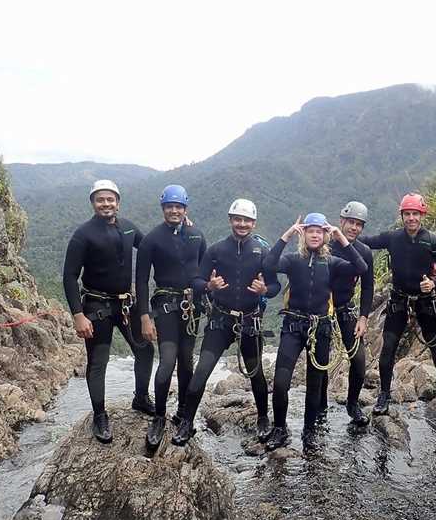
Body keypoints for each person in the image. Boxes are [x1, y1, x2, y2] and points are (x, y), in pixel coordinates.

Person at [171, 199, 280, 446]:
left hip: (249, 321)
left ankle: (263, 418)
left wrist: (265, 289)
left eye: (247, 220)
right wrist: (209, 285)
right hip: (220, 320)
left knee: (256, 374)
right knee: (202, 372)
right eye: (237, 219)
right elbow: (197, 281)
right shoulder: (217, 251)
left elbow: (275, 286)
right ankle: (187, 423)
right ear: (230, 220)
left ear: (254, 223)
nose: (242, 224)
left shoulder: (262, 252)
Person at [263, 213, 367, 452]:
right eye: (310, 230)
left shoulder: (331, 263)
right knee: (280, 382)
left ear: (324, 235)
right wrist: (287, 234)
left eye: (319, 231)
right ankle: (280, 428)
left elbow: (360, 267)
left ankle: (309, 431)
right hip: (293, 325)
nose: (314, 235)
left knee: (314, 383)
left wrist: (340, 236)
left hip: (320, 327)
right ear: (304, 233)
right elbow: (268, 264)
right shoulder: (292, 259)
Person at [62, 180, 155, 444]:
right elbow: (70, 276)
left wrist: (181, 226)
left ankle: (140, 397)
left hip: (126, 303)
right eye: (100, 200)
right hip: (96, 305)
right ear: (93, 203)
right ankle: (100, 414)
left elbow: (151, 246)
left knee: (145, 349)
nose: (106, 204)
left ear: (118, 202)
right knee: (98, 362)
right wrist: (78, 314)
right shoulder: (84, 234)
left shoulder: (128, 228)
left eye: (110, 199)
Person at [359, 193, 436, 416]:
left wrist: (434, 282)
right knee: (389, 347)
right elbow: (367, 242)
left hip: (424, 301)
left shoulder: (433, 241)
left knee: (435, 344)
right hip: (399, 300)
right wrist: (339, 236)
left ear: (422, 215)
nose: (411, 218)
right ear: (402, 215)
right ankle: (384, 394)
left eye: (415, 214)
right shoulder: (393, 238)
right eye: (407, 214)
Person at [136, 184, 206, 451]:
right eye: (170, 206)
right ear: (163, 208)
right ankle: (159, 417)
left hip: (191, 307)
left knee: (186, 362)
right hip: (165, 306)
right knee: (167, 362)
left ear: (185, 208)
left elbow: (204, 270)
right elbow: (141, 281)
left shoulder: (197, 235)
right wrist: (144, 316)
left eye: (179, 206)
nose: (174, 210)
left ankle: (183, 415)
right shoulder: (151, 239)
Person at [323, 201, 374, 427]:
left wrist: (363, 317)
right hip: (321, 310)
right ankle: (319, 405)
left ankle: (352, 403)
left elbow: (368, 286)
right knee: (320, 361)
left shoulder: (362, 252)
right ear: (341, 221)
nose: (354, 228)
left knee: (359, 360)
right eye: (350, 222)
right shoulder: (325, 245)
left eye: (358, 224)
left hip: (346, 309)